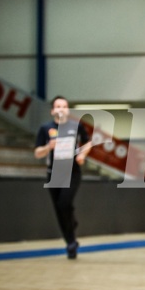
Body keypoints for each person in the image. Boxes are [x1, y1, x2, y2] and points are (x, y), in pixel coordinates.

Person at [34, 96, 90, 259]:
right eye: (57, 106)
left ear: (68, 110)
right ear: (52, 110)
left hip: (72, 172)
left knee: (64, 203)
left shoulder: (76, 126)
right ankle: (71, 243)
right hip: (54, 173)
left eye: (64, 106)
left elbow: (87, 144)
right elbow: (37, 153)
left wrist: (82, 155)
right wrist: (47, 147)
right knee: (59, 210)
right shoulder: (45, 128)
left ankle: (72, 223)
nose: (61, 109)